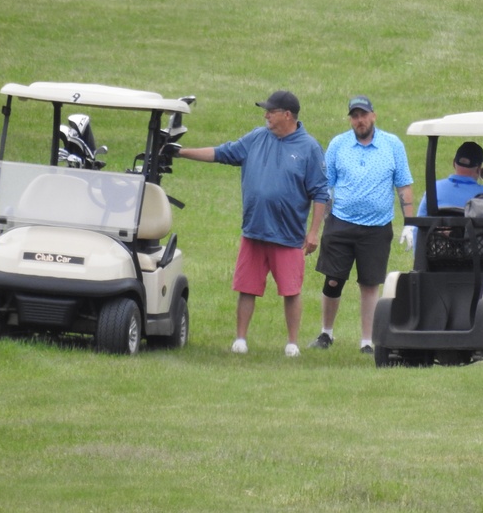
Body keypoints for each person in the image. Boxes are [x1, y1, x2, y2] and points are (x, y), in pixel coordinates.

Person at [166, 90, 329, 357]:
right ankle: (240, 339)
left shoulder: (309, 147)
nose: (266, 115)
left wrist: (313, 233)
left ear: (287, 115)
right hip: (254, 230)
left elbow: (320, 192)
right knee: (246, 288)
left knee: (291, 291)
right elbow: (222, 152)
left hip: (288, 235)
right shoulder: (257, 137)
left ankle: (292, 344)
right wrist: (181, 153)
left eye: (271, 112)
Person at [310, 95, 415, 354]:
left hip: (377, 228)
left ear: (373, 116)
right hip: (340, 223)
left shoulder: (392, 145)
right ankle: (326, 333)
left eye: (364, 115)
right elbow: (326, 185)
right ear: (350, 119)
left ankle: (367, 341)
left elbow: (403, 184)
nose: (360, 120)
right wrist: (325, 219)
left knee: (370, 284)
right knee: (333, 280)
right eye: (355, 116)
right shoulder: (339, 144)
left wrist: (409, 223)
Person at [415, 141, 483, 217]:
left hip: (438, 232)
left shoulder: (434, 189)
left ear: (454, 163)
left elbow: (419, 224)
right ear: (478, 169)